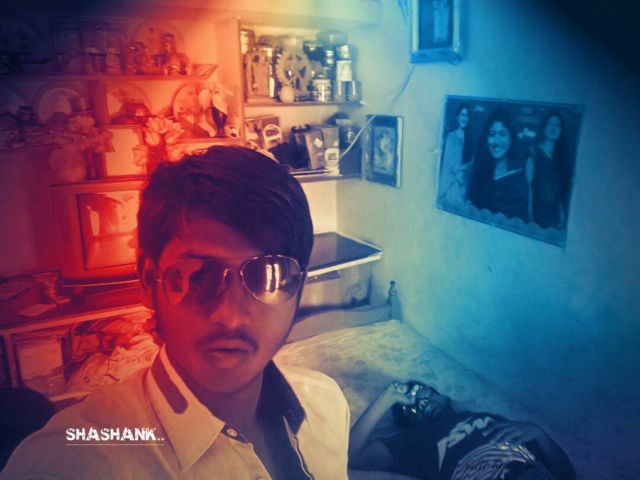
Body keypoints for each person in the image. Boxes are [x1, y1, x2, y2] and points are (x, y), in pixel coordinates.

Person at [2, 146, 351, 479]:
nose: (230, 317)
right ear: (147, 282)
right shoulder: (78, 459)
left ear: (299, 286)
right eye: (195, 277)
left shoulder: (326, 405)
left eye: (268, 276)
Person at [349, 382, 576, 480]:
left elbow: (567, 475)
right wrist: (386, 398)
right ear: (409, 425)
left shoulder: (487, 417)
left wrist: (540, 434)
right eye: (411, 408)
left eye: (423, 392)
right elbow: (349, 455)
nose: (422, 403)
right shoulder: (414, 441)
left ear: (443, 395)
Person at [466, 108, 530, 222]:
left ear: (511, 138)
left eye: (502, 134)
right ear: (486, 138)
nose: (496, 141)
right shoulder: (478, 171)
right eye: (492, 134)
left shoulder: (517, 178)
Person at [526, 112, 571, 229]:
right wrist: (530, 217)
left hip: (555, 218)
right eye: (550, 124)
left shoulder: (561, 160)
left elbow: (559, 192)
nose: (553, 128)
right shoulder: (533, 153)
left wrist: (562, 214)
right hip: (537, 214)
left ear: (561, 131)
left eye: (557, 125)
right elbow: (528, 188)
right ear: (544, 127)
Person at [438, 103, 473, 208]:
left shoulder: (469, 139)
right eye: (462, 115)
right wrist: (459, 176)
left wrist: (463, 169)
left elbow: (471, 163)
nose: (464, 118)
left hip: (464, 182)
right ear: (457, 117)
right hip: (452, 182)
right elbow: (448, 164)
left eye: (466, 116)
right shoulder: (451, 136)